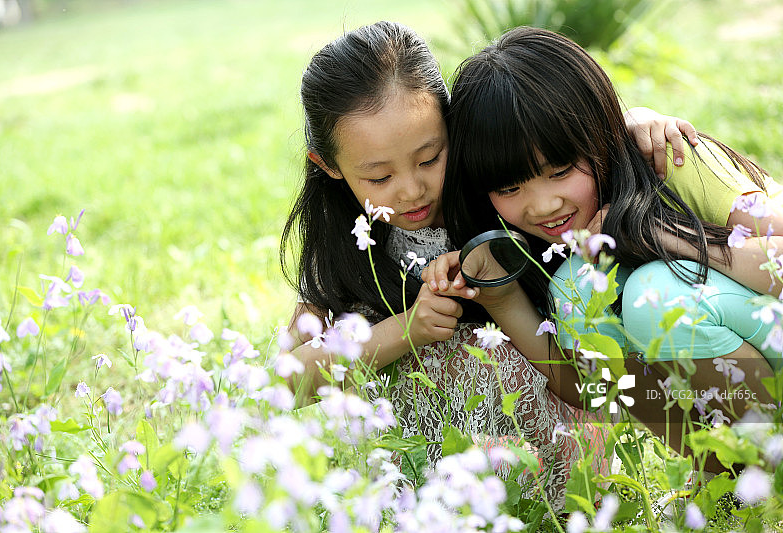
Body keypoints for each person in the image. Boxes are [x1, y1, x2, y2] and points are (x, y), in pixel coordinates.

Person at [280, 21, 699, 508]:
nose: (411, 190)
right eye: (379, 176)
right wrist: (405, 330)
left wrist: (632, 124)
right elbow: (287, 382)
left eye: (430, 158)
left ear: (454, 126)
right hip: (413, 483)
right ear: (328, 166)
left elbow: (564, 146)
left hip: (554, 465)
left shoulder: (504, 195)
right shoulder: (342, 245)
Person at [423, 26, 781, 456]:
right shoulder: (543, 249)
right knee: (576, 287)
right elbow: (588, 390)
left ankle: (768, 463)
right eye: (510, 188)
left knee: (654, 293)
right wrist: (501, 298)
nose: (542, 205)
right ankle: (722, 474)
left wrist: (665, 236)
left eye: (559, 171)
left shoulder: (670, 158)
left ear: (601, 136)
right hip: (742, 385)